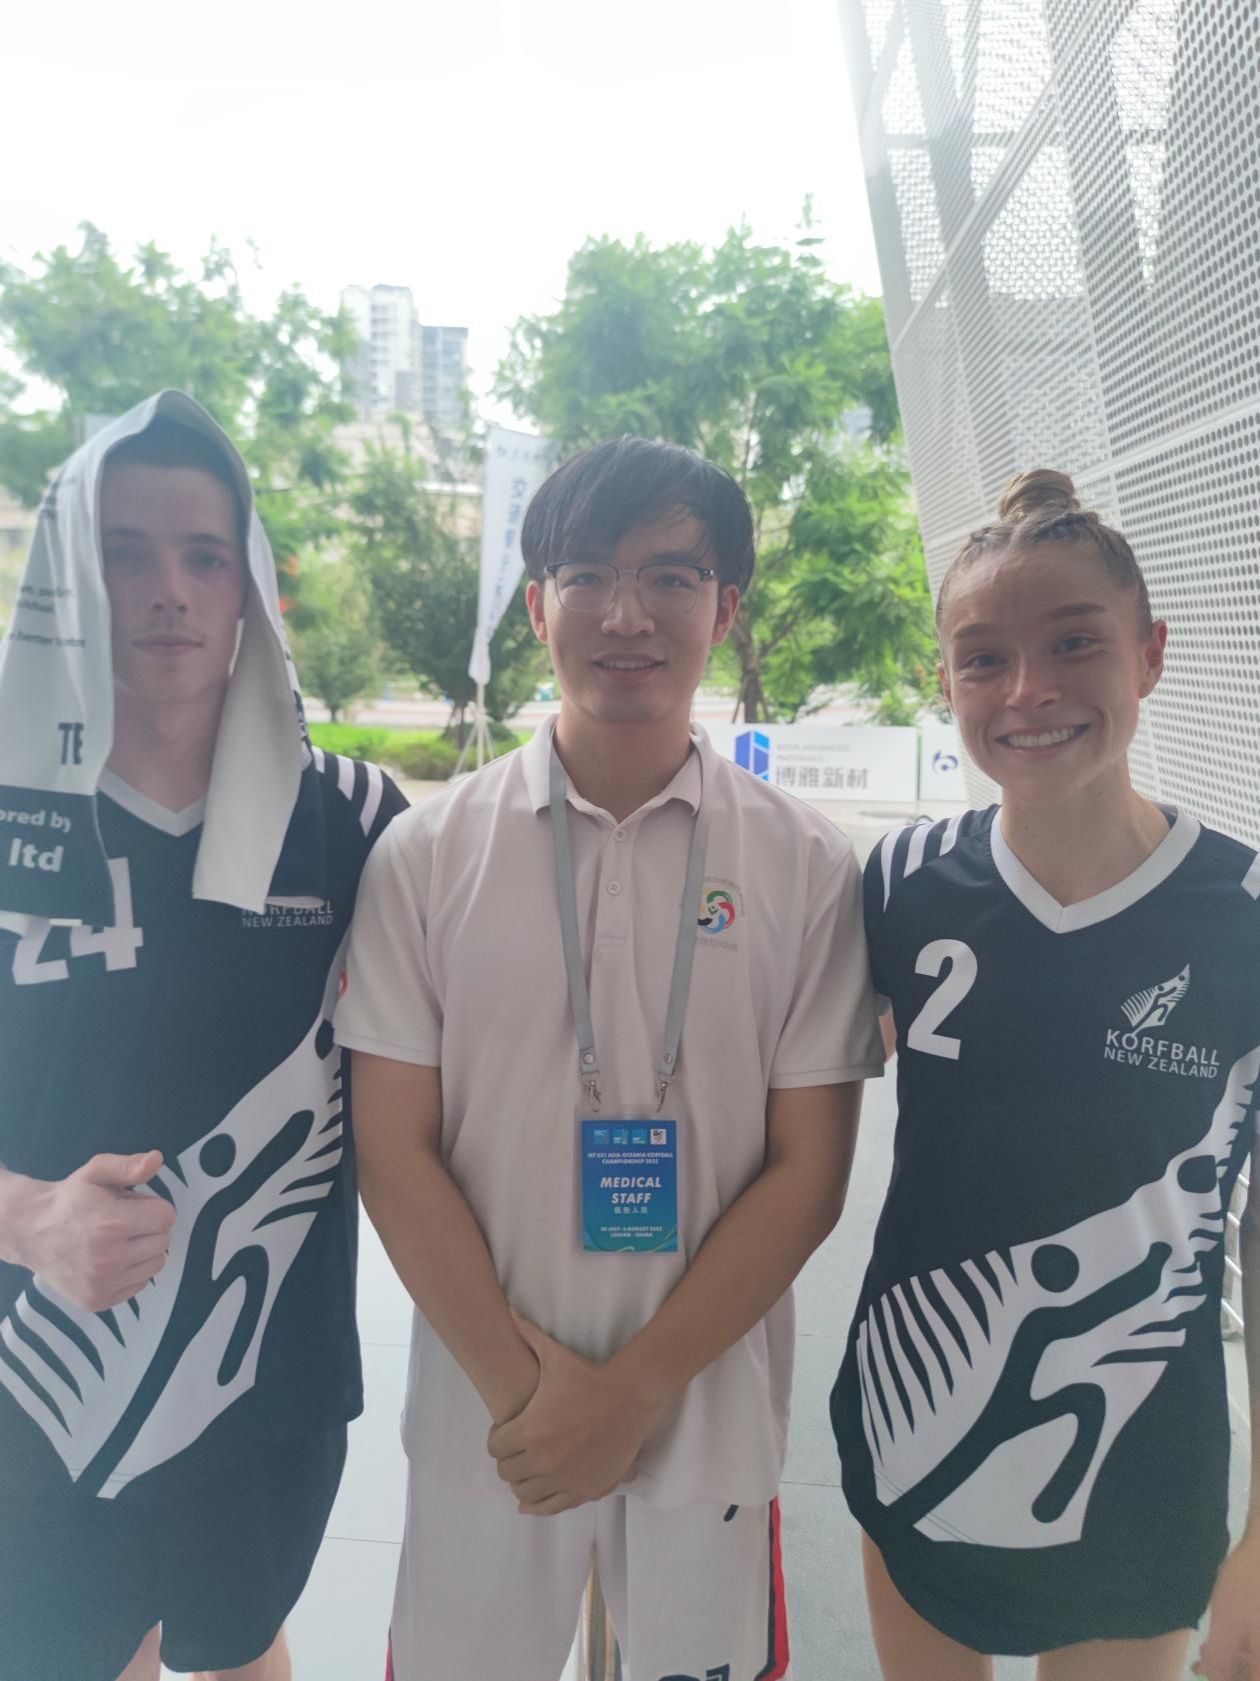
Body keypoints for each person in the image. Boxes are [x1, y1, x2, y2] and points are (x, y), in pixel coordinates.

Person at [336, 436, 885, 1681]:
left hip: (705, 1411)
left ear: (725, 607)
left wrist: (634, 1392)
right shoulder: (429, 857)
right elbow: (392, 1150)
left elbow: (810, 1172)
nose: (626, 614)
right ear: (538, 606)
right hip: (489, 1420)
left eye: (671, 577)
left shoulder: (805, 866)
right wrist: (533, 1402)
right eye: (587, 574)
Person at [0, 392, 406, 1681]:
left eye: (203, 556)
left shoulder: (357, 820)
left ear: (249, 588)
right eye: (125, 553)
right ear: (70, 578)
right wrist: (31, 1220)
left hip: (266, 1380)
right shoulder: (10, 814)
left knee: (240, 1645)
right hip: (38, 1380)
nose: (167, 590)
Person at [830, 470, 1259, 1681]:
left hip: (1144, 1461)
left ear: (1150, 653)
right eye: (984, 659)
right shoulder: (901, 885)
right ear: (947, 679)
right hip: (914, 1433)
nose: (1027, 690)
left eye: (1074, 642)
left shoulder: (1241, 912)